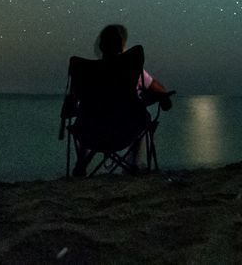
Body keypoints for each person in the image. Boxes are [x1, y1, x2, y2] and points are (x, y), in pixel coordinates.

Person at [70, 23, 172, 176]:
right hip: (124, 131)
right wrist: (162, 98)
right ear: (122, 46)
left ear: (101, 46)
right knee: (140, 116)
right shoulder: (131, 68)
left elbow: (72, 102)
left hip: (89, 133)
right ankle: (134, 163)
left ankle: (81, 164)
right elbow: (159, 89)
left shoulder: (84, 71)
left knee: (87, 115)